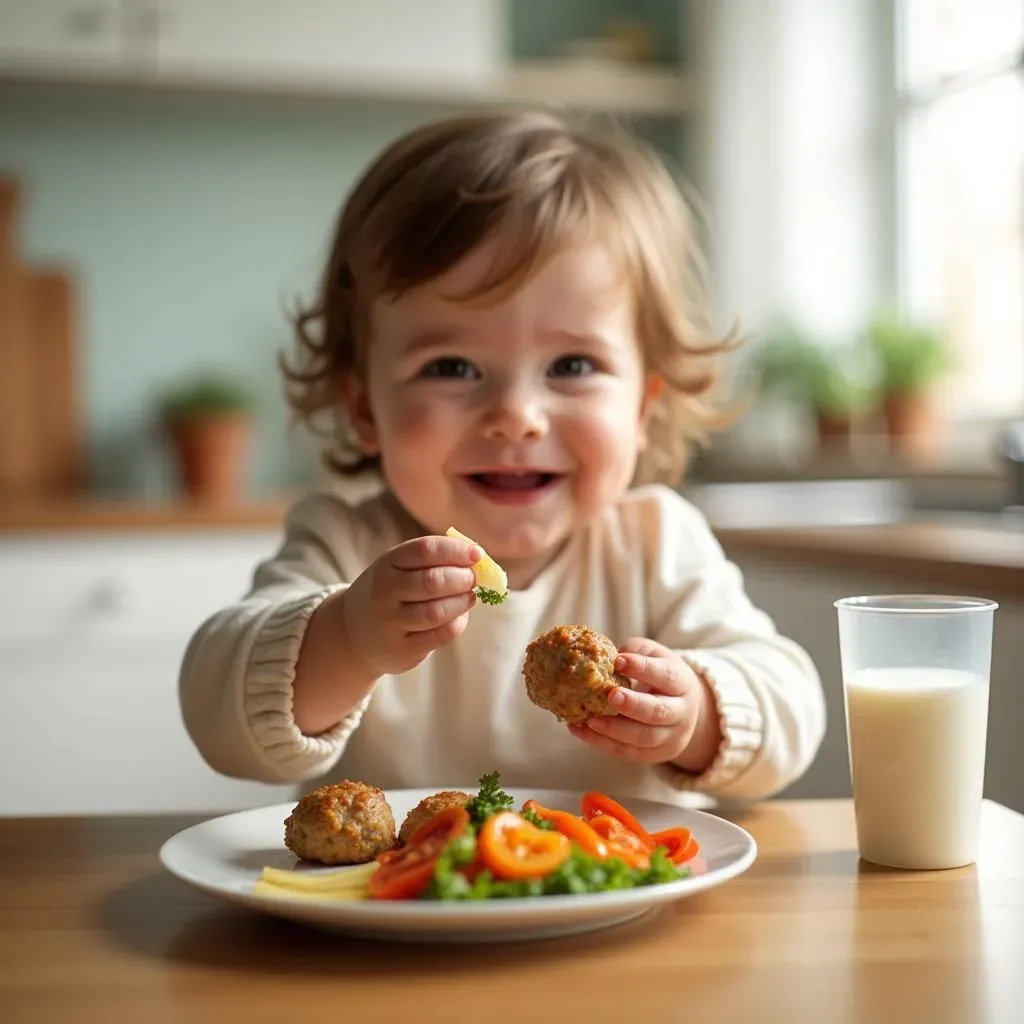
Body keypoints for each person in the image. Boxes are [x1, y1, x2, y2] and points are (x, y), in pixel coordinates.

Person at [179, 110, 825, 806]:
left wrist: (695, 712)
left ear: (641, 407)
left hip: (625, 896)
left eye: (572, 364)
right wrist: (349, 636)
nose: (517, 416)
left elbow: (792, 703)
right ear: (365, 407)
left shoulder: (655, 542)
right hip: (398, 904)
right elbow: (218, 714)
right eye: (452, 367)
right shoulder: (346, 545)